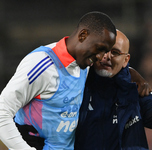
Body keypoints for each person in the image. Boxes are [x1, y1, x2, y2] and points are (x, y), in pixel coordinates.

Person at [0, 11, 117, 150]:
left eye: (106, 52)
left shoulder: (84, 64)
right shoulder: (42, 64)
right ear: (83, 35)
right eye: (100, 49)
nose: (101, 57)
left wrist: (133, 75)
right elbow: (2, 111)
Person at [74, 30, 152, 150]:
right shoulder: (75, 87)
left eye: (115, 52)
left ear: (126, 60)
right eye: (102, 50)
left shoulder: (136, 91)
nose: (107, 56)